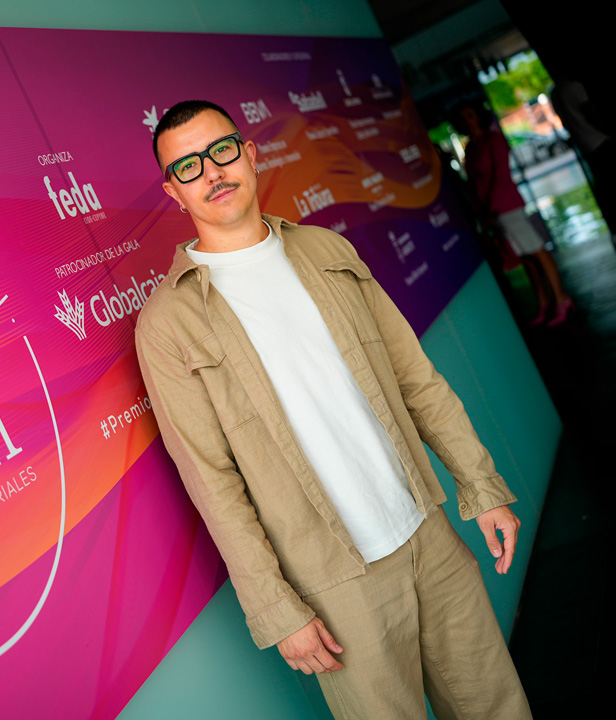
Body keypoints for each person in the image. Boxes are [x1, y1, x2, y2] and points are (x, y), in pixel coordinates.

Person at [135, 100, 532, 719]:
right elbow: (212, 481)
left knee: (496, 707)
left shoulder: (326, 250)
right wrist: (277, 608)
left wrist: (480, 486)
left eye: (221, 150)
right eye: (188, 166)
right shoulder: (169, 322)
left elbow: (416, 379)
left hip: (427, 532)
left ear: (249, 154)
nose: (212, 172)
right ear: (173, 191)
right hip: (334, 587)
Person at [455, 100, 574, 327]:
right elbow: (473, 183)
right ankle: (543, 303)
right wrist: (481, 212)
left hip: (505, 205)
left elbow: (501, 175)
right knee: (525, 256)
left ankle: (561, 299)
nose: (467, 121)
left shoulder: (494, 140)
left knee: (536, 250)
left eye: (470, 115)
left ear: (478, 116)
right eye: (462, 118)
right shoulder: (471, 148)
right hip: (490, 211)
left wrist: (492, 208)